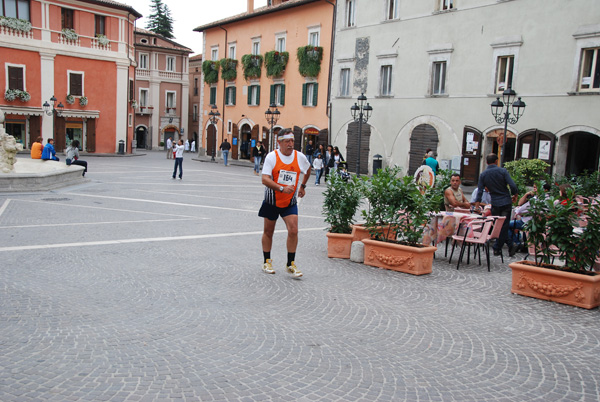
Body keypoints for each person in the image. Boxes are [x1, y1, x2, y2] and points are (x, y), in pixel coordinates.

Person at [259, 128, 311, 278]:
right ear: (279, 142)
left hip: (290, 201)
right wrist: (281, 187)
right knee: (269, 231)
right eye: (287, 141)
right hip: (272, 200)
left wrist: (302, 186)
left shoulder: (299, 156)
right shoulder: (272, 157)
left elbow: (308, 170)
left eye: (292, 141)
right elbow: (264, 179)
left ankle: (290, 264)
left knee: (293, 230)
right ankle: (266, 261)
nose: (290, 144)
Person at [474, 153, 519, 257]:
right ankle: (500, 247)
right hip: (506, 201)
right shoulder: (502, 171)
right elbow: (512, 185)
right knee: (504, 226)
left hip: (495, 203)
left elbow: (479, 191)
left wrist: (477, 206)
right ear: (496, 161)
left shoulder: (483, 174)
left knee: (498, 226)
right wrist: (515, 194)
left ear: (486, 162)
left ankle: (505, 246)